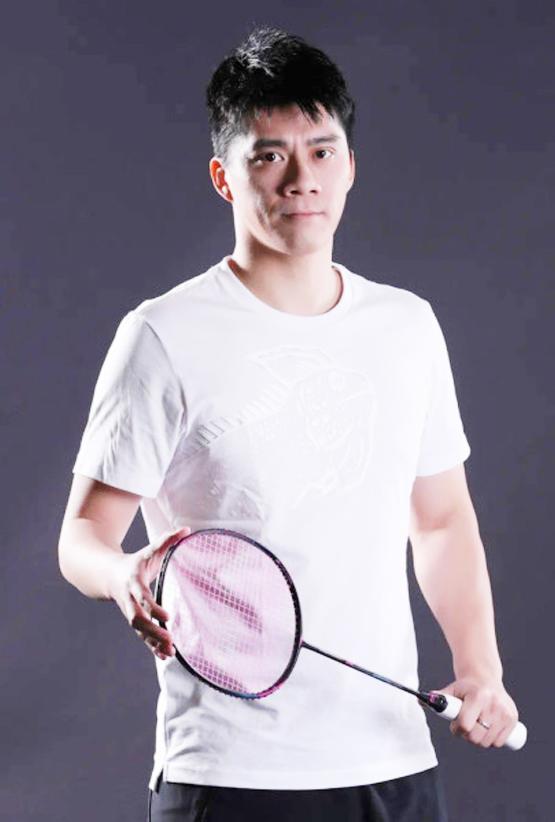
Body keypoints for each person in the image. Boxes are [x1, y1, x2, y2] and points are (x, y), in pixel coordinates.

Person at [58, 24, 520, 822]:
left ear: (349, 165)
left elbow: (441, 519)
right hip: (229, 774)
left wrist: (480, 669)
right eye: (269, 155)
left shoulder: (406, 326)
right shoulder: (163, 333)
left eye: (321, 150)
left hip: (392, 763)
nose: (302, 178)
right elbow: (81, 539)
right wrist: (122, 575)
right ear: (224, 177)